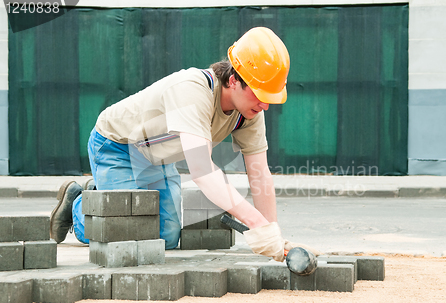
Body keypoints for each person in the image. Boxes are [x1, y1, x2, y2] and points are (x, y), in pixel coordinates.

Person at [50, 27, 321, 261]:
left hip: (157, 156)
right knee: (130, 234)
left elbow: (260, 174)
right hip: (117, 145)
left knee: (165, 236)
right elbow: (203, 172)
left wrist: (274, 238)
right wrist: (256, 225)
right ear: (235, 80)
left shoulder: (250, 113)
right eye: (260, 95)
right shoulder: (194, 90)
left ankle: (103, 190)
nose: (265, 105)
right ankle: (81, 205)